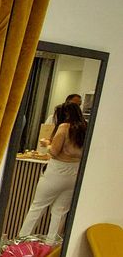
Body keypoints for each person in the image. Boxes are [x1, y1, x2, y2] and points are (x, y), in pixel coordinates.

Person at [19, 101, 86, 241]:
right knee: (60, 211)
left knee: (37, 207)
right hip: (75, 172)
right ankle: (51, 245)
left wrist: (47, 144)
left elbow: (55, 152)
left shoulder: (64, 127)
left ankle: (21, 241)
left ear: (65, 114)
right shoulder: (84, 127)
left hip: (57, 171)